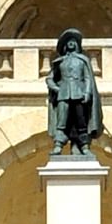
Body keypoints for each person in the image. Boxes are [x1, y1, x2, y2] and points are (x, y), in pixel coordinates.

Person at [44, 28, 103, 156]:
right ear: (65, 45)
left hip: (79, 94)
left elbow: (88, 78)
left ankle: (84, 146)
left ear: (77, 44)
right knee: (62, 121)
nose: (71, 43)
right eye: (68, 41)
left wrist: (87, 93)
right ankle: (58, 145)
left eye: (73, 41)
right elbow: (50, 78)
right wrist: (56, 88)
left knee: (80, 121)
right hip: (63, 94)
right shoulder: (59, 62)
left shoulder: (82, 60)